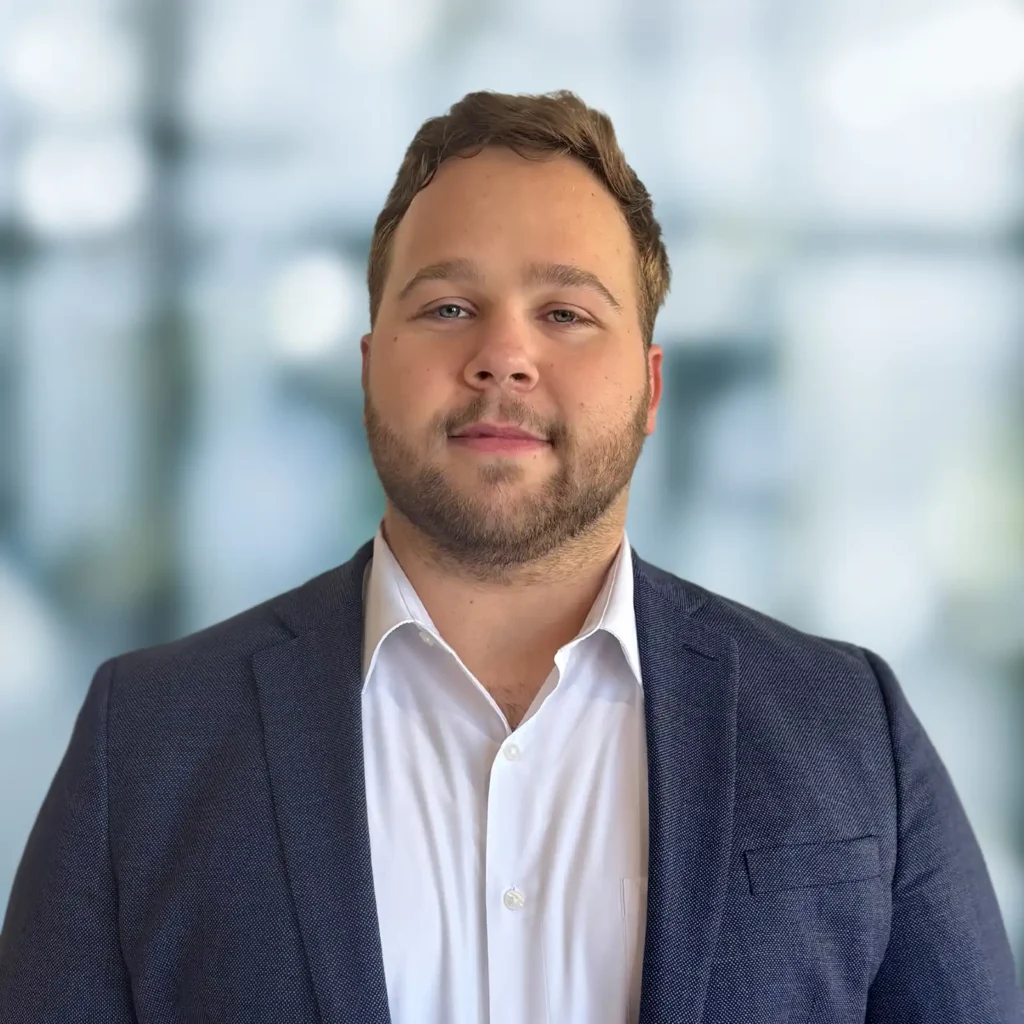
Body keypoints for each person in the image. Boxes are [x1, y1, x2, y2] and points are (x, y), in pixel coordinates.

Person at [1, 89, 1021, 1024]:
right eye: (447, 307)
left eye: (566, 314)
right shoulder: (144, 742)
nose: (503, 354)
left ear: (652, 385)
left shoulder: (850, 728)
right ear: (369, 369)